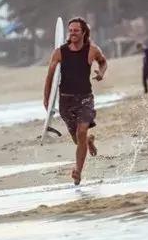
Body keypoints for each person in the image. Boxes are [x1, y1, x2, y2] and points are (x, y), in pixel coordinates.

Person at [43, 17, 108, 185]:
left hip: (85, 98)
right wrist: (47, 99)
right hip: (66, 101)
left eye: (76, 30)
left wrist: (101, 73)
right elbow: (50, 77)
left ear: (84, 32)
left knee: (81, 132)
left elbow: (103, 62)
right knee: (77, 139)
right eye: (70, 30)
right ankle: (88, 141)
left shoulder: (92, 50)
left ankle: (78, 171)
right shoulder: (60, 52)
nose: (72, 33)